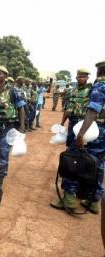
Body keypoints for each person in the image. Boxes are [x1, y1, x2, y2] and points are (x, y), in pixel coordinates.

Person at [51, 68, 102, 213]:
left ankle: (71, 198)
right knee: (87, 159)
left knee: (75, 159)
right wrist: (62, 123)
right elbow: (68, 109)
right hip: (75, 125)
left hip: (85, 127)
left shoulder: (94, 90)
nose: (81, 78)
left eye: (84, 76)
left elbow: (93, 111)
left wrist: (81, 134)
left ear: (88, 77)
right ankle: (91, 198)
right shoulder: (72, 91)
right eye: (79, 76)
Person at [0, 66, 26, 180]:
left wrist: (22, 127)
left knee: (3, 152)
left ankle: (0, 178)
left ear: (5, 76)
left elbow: (21, 108)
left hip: (8, 127)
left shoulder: (13, 91)